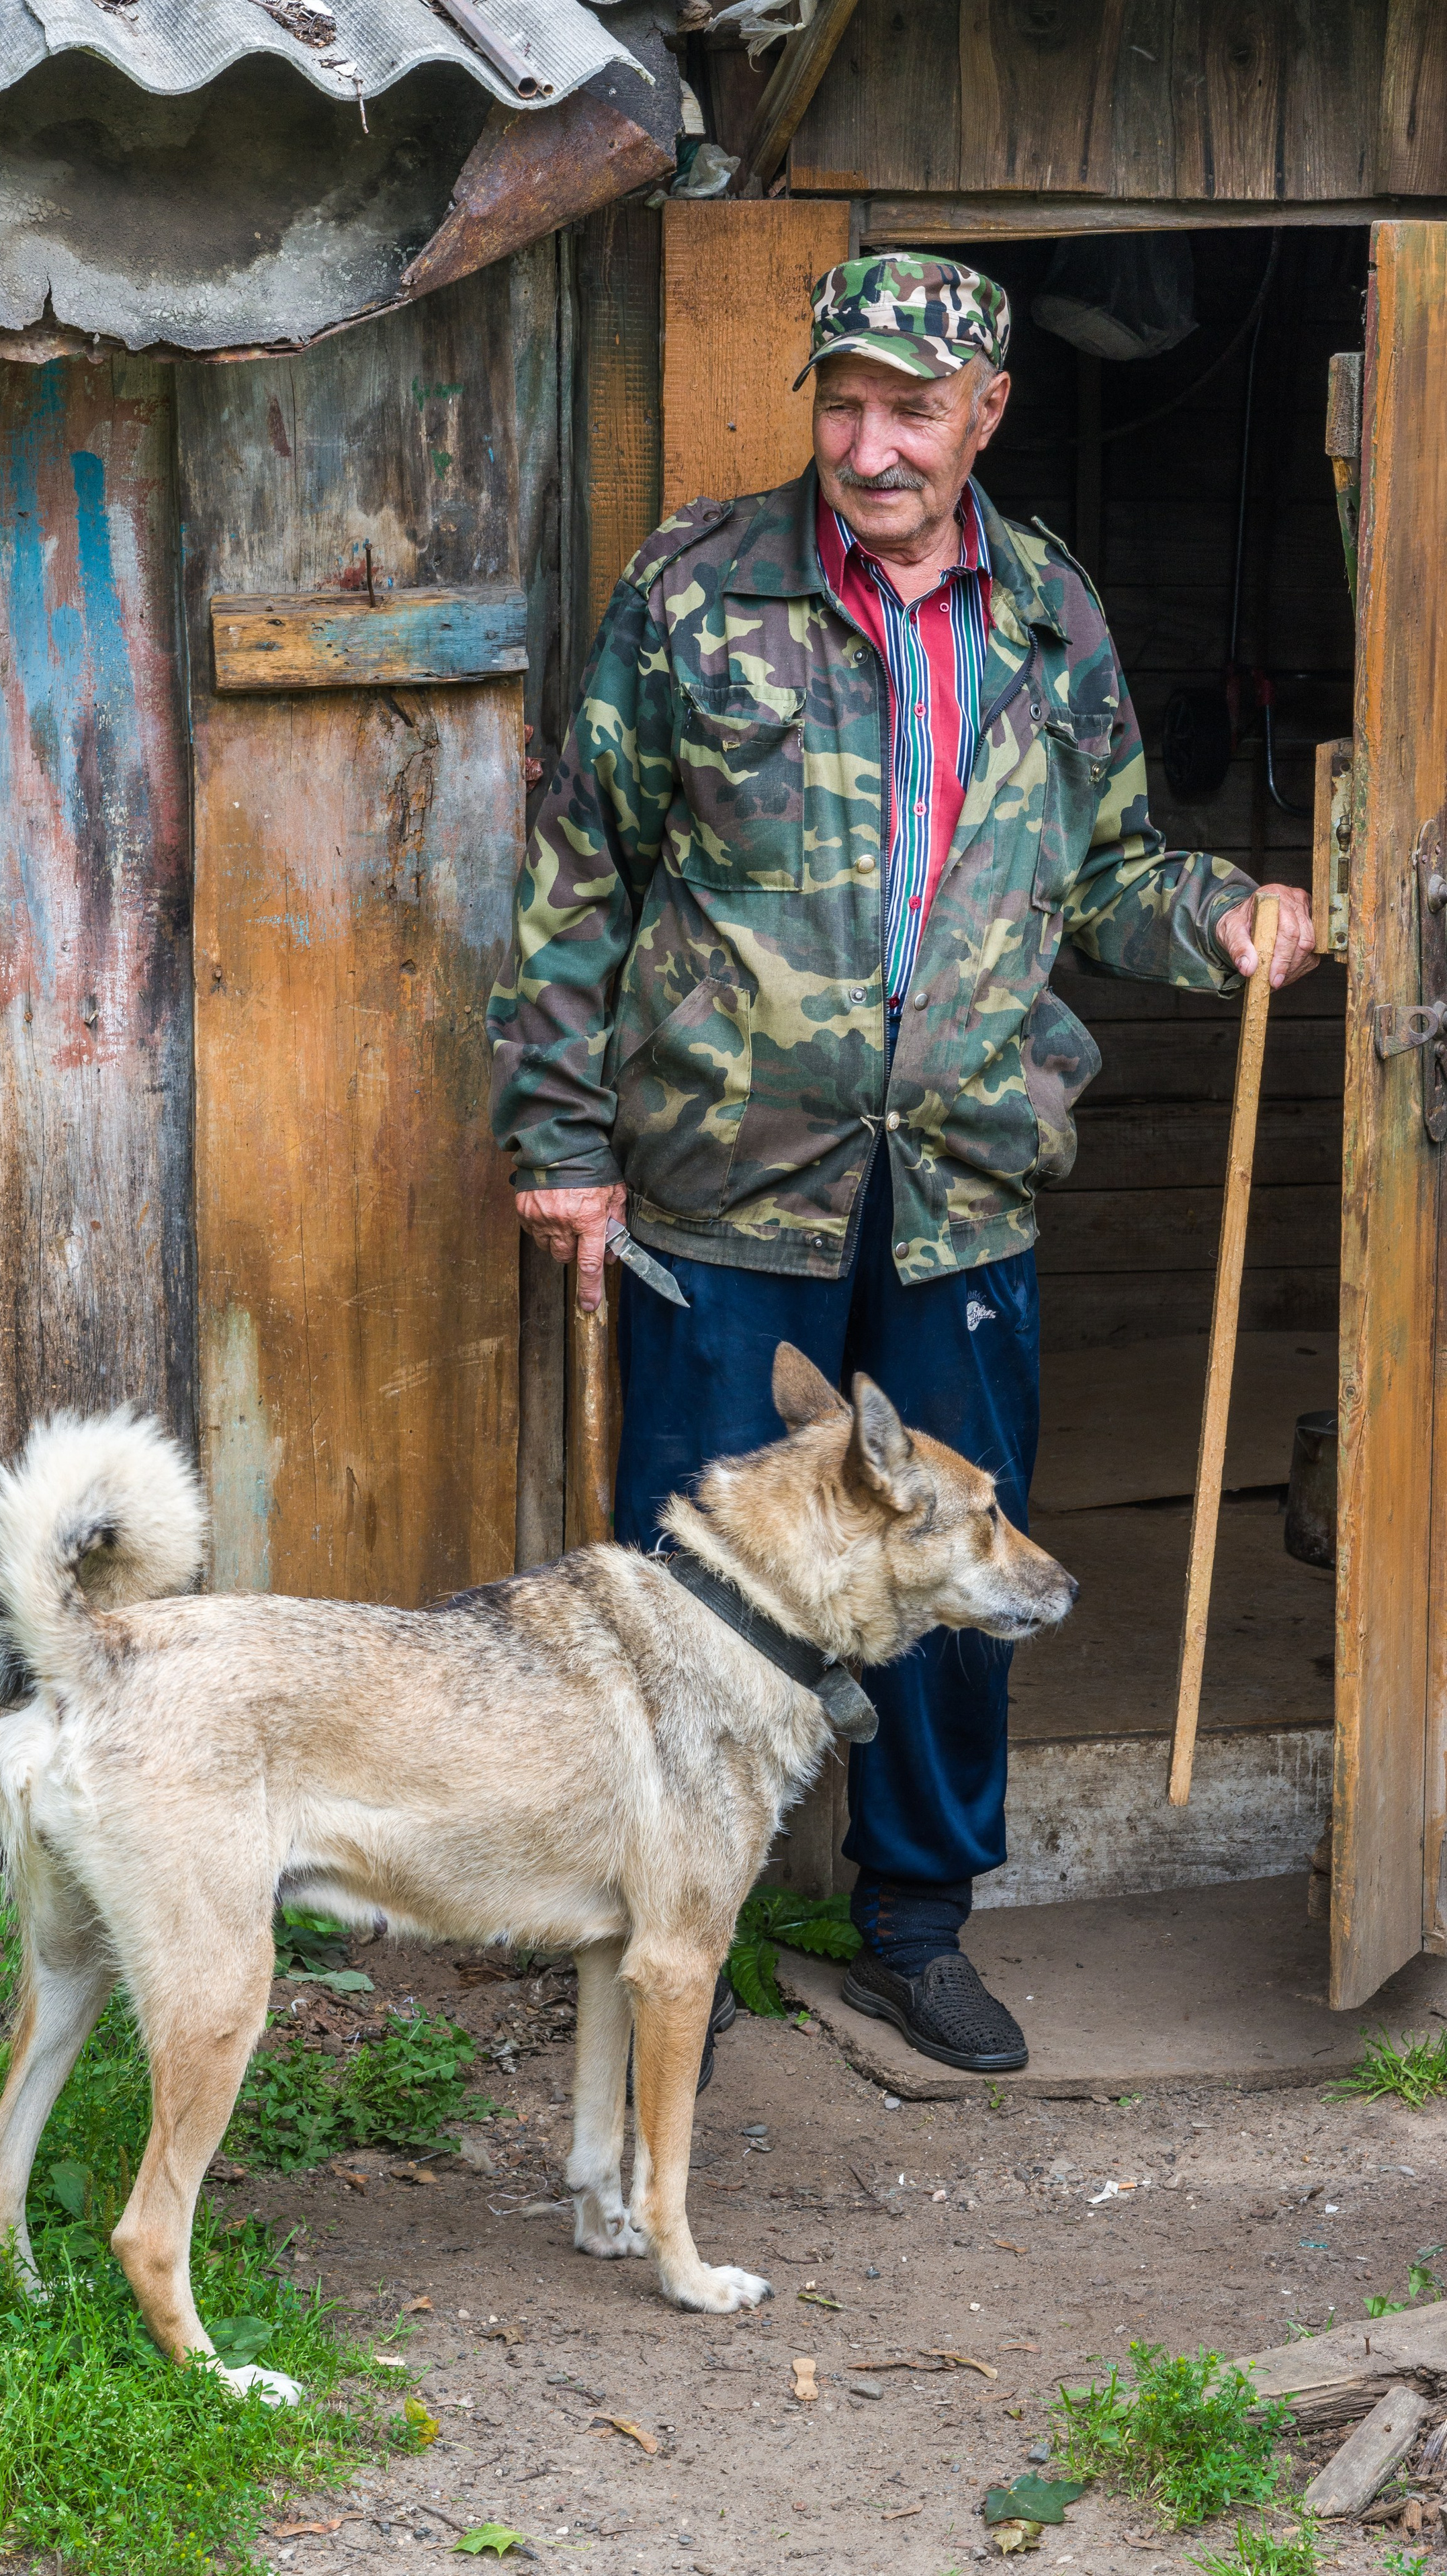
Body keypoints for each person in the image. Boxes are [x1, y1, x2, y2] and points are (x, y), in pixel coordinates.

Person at [486, 253, 1317, 2077]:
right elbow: (582, 865)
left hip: (958, 1180)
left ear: (986, 414)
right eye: (844, 404)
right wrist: (559, 1133)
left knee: (954, 1565)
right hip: (724, 1173)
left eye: (912, 412)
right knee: (692, 1584)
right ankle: (669, 1943)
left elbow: (1110, 875)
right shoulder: (699, 588)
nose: (870, 447)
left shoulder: (1052, 618)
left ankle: (918, 1924)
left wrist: (1225, 914)